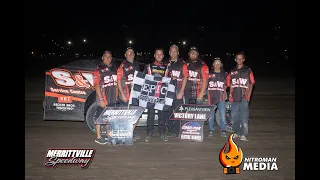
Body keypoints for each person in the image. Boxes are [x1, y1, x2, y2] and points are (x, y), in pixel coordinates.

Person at [226, 51, 255, 141]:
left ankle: (244, 134)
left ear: (243, 59)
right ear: (235, 59)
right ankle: (237, 132)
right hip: (235, 98)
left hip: (244, 98)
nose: (239, 60)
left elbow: (252, 83)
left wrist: (249, 96)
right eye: (237, 58)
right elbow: (230, 84)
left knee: (244, 117)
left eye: (241, 58)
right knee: (234, 117)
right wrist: (230, 94)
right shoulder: (232, 71)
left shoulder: (248, 70)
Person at [144, 48, 169, 142]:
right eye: (157, 54)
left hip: (162, 95)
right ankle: (149, 133)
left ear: (163, 56)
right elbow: (143, 80)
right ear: (154, 55)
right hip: (151, 95)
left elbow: (169, 82)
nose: (159, 56)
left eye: (161, 54)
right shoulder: (148, 66)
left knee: (162, 115)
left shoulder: (167, 68)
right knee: (150, 115)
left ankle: (162, 133)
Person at [93, 50, 118, 145]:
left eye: (110, 57)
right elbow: (96, 85)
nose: (108, 58)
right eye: (106, 56)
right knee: (99, 117)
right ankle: (98, 137)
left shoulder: (113, 69)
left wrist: (115, 97)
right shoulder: (98, 69)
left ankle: (108, 135)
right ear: (102, 58)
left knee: (109, 117)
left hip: (111, 97)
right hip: (102, 98)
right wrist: (100, 99)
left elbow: (115, 85)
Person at [117, 47, 141, 141]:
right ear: (125, 55)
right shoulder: (122, 66)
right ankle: (124, 134)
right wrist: (122, 94)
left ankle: (130, 132)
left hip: (135, 95)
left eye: (132, 53)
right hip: (126, 96)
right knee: (126, 116)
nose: (130, 54)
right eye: (128, 53)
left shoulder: (137, 65)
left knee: (136, 115)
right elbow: (118, 81)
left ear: (134, 55)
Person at [165, 44, 188, 138]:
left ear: (178, 52)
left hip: (178, 91)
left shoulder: (183, 63)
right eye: (172, 51)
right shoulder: (166, 63)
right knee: (168, 111)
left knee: (178, 112)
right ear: (169, 52)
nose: (173, 53)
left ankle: (178, 131)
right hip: (167, 91)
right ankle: (170, 130)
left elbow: (186, 77)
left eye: (175, 51)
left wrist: (181, 91)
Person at [207, 57, 228, 138]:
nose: (217, 64)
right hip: (211, 98)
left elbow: (228, 84)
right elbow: (205, 85)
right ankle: (211, 130)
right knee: (211, 116)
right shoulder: (209, 74)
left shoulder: (225, 74)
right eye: (215, 63)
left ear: (221, 65)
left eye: (219, 63)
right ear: (213, 64)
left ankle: (223, 130)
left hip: (221, 98)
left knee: (222, 115)